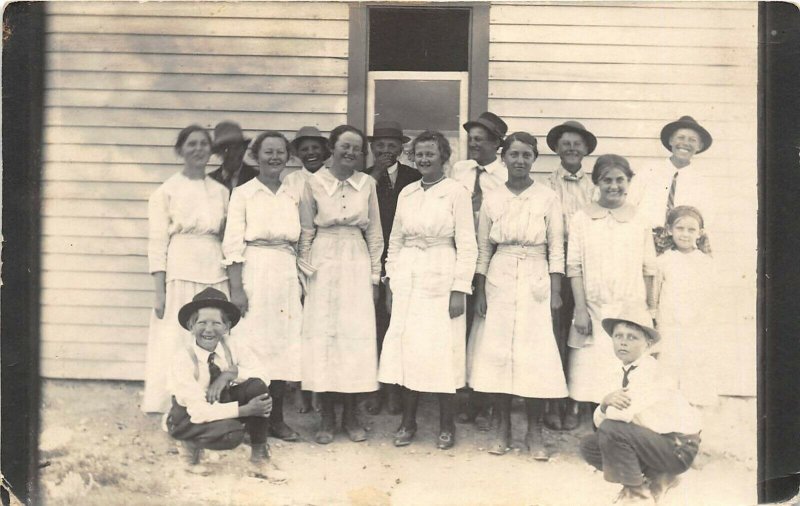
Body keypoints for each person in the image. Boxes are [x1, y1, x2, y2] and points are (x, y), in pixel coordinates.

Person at [468, 132, 567, 460]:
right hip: (500, 276)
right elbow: (483, 248)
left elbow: (556, 247)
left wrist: (555, 290)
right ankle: (501, 427)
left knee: (534, 356)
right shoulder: (493, 197)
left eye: (526, 155)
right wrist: (480, 289)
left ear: (534, 159)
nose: (520, 161)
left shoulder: (547, 197)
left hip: (536, 277)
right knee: (498, 353)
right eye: (514, 155)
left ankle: (533, 431)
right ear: (504, 157)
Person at [378, 131, 477, 450]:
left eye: (430, 154)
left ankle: (446, 424)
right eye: (419, 154)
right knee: (410, 349)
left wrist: (459, 288)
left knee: (441, 350)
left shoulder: (455, 192)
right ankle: (408, 422)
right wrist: (391, 281)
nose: (423, 159)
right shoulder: (407, 193)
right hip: (408, 275)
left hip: (441, 273)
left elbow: (467, 244)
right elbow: (394, 241)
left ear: (443, 157)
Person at [298, 125, 384, 444]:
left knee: (354, 337)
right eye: (344, 146)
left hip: (356, 259)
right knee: (324, 338)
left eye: (356, 148)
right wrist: (305, 276)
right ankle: (327, 417)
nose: (350, 153)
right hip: (323, 258)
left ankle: (351, 414)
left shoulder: (368, 184)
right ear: (332, 148)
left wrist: (374, 277)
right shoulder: (313, 182)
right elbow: (306, 232)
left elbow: (375, 235)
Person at [142, 125, 230, 414]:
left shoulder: (220, 191)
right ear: (180, 150)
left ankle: (211, 403)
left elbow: (227, 236)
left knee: (213, 333)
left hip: (214, 269)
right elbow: (157, 243)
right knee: (177, 338)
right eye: (191, 144)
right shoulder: (166, 191)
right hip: (180, 271)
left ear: (211, 150)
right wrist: (159, 290)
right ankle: (175, 407)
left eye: (204, 144)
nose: (198, 149)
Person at [222, 131, 304, 442]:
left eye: (280, 152)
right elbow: (231, 246)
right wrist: (237, 290)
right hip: (254, 272)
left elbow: (301, 238)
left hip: (284, 273)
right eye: (267, 152)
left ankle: (277, 419)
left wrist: (300, 280)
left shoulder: (293, 193)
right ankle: (249, 418)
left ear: (288, 157)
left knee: (283, 345)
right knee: (252, 344)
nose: (274, 158)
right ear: (256, 157)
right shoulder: (243, 194)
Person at [566, 154, 656, 431]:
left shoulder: (639, 219)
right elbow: (574, 266)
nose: (614, 185)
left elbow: (649, 268)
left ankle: (617, 418)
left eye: (620, 180)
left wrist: (650, 310)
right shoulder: (582, 218)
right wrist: (580, 309)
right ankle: (581, 408)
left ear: (629, 182)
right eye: (607, 180)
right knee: (589, 359)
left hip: (629, 305)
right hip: (593, 304)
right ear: (597, 182)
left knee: (623, 359)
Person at [579, 311, 701, 504]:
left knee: (612, 430)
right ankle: (659, 477)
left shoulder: (652, 371)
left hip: (678, 447)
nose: (623, 342)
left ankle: (636, 493)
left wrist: (606, 407)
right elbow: (600, 420)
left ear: (648, 345)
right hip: (653, 441)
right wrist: (604, 403)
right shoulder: (617, 371)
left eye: (632, 337)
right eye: (618, 336)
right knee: (590, 445)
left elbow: (620, 415)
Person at [166, 288, 283, 478]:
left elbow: (264, 376)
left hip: (220, 403)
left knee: (258, 387)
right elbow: (198, 412)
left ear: (227, 327)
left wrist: (229, 374)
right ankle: (189, 448)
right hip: (188, 417)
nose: (209, 329)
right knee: (232, 434)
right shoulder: (183, 358)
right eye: (202, 322)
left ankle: (259, 459)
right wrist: (245, 411)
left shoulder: (233, 345)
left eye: (216, 323)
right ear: (191, 326)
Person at [450, 111, 508, 428]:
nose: (473, 145)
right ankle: (461, 390)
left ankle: (484, 397)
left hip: (490, 253)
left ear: (497, 144)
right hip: (459, 251)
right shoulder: (460, 170)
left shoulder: (502, 173)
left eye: (480, 140)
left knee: (484, 326)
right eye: (470, 139)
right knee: (461, 323)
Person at [364, 120, 421, 416]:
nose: (386, 151)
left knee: (400, 325)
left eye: (392, 145)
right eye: (380, 146)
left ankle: (398, 390)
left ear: (401, 148)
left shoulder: (414, 177)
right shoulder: (362, 177)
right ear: (372, 148)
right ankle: (375, 389)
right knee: (374, 326)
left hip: (405, 258)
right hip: (370, 259)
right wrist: (373, 175)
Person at [545, 120, 598, 431]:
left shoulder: (595, 187)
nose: (572, 149)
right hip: (554, 266)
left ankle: (583, 400)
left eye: (577, 144)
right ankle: (553, 401)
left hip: (584, 269)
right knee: (554, 333)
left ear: (586, 150)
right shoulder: (548, 186)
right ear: (557, 149)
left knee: (582, 333)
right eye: (566, 144)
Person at [651, 206, 718, 407]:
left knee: (693, 367)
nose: (685, 234)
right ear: (670, 230)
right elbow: (654, 295)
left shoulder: (706, 262)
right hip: (669, 325)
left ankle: (691, 413)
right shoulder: (663, 261)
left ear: (700, 233)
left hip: (696, 326)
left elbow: (710, 297)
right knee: (669, 367)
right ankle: (667, 412)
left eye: (691, 230)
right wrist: (655, 318)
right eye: (680, 228)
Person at [628, 116, 714, 252]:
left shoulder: (701, 182)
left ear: (699, 146)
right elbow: (629, 205)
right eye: (680, 137)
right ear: (671, 141)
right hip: (645, 241)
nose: (685, 143)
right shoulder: (648, 171)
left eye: (692, 140)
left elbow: (705, 221)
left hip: (681, 246)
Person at [207, 121, 259, 193]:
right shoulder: (209, 181)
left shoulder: (257, 179)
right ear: (218, 152)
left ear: (244, 149)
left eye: (236, 148)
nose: (232, 154)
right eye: (226, 149)